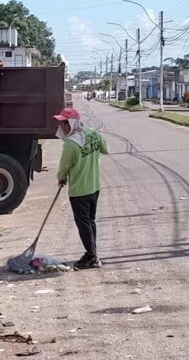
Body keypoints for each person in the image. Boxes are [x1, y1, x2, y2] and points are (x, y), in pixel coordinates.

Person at [54, 108, 108, 270]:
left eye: (63, 123)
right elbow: (106, 149)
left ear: (71, 123)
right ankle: (93, 254)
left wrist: (61, 178)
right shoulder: (93, 134)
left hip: (79, 190)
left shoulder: (71, 144)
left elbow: (64, 166)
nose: (61, 127)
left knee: (83, 223)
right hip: (94, 186)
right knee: (90, 221)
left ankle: (91, 256)